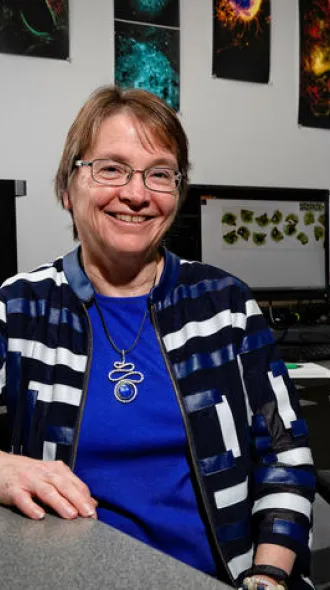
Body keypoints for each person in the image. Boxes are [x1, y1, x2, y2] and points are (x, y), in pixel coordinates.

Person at [0, 85, 315, 589]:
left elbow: (287, 460)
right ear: (67, 187)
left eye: (160, 173)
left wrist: (267, 575)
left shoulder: (226, 305)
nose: (137, 193)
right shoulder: (19, 308)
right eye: (111, 168)